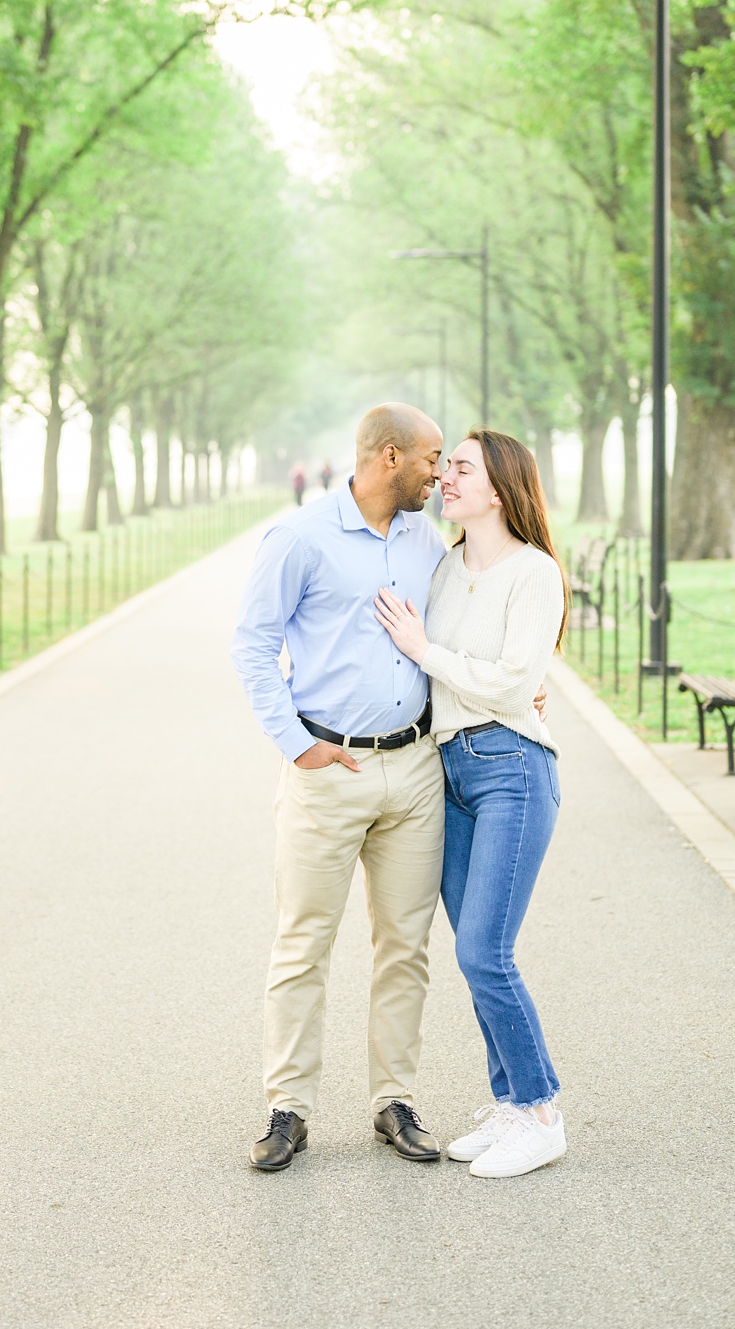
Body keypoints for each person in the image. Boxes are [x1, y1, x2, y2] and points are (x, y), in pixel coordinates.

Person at [231, 404, 449, 1172]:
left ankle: (395, 1102)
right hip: (329, 770)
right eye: (431, 456)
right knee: (303, 943)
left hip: (415, 770)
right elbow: (253, 644)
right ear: (390, 457)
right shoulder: (300, 537)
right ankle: (287, 1108)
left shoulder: (430, 540)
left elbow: (454, 637)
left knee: (405, 948)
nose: (440, 471)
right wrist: (297, 746)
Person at [373, 428, 570, 1179]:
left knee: (486, 951)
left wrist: (428, 653)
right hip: (449, 768)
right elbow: (456, 674)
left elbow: (515, 682)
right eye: (446, 464)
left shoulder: (536, 573)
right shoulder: (446, 566)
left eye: (460, 468)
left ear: (499, 488)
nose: (444, 476)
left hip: (512, 768)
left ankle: (543, 1111)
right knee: (471, 949)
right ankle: (511, 1105)